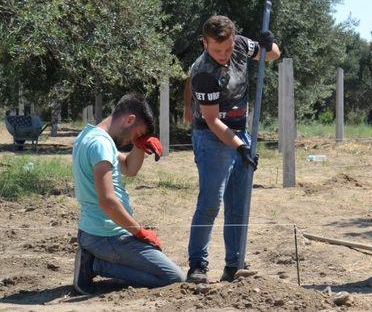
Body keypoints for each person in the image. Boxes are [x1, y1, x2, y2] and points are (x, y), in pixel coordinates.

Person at [183, 15, 280, 283]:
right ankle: (197, 266)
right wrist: (240, 148)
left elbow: (272, 55)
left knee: (239, 203)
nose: (224, 55)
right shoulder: (202, 72)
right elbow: (213, 121)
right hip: (212, 137)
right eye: (217, 50)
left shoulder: (239, 45)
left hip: (240, 133)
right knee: (211, 203)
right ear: (205, 43)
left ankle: (235, 264)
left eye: (226, 48)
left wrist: (268, 45)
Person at [72, 93, 185, 295]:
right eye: (137, 133)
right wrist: (140, 232)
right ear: (130, 119)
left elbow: (128, 168)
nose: (135, 138)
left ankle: (95, 260)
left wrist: (139, 146)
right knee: (174, 278)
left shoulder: (89, 136)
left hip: (99, 232)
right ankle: (95, 264)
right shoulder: (101, 145)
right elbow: (108, 202)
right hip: (107, 236)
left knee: (158, 264)